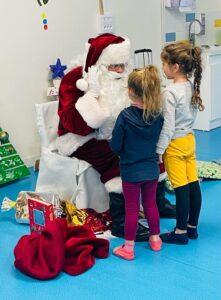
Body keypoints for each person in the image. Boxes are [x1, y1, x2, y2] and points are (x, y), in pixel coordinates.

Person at [56, 33, 175, 241]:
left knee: (151, 149)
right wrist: (92, 96)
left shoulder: (126, 76)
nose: (120, 71)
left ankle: (158, 202)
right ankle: (121, 223)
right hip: (83, 137)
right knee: (117, 159)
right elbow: (73, 124)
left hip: (118, 131)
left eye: (123, 65)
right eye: (114, 67)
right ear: (100, 64)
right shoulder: (75, 80)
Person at [110, 66, 164, 260]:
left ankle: (129, 248)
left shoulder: (124, 116)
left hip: (131, 170)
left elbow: (115, 145)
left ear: (131, 91)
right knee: (151, 204)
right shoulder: (158, 116)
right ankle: (156, 240)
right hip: (151, 168)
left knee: (132, 208)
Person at [157, 42, 203, 245]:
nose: (163, 68)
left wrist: (159, 150)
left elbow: (167, 127)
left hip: (174, 144)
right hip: (189, 140)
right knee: (193, 183)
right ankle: (192, 227)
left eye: (164, 63)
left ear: (175, 67)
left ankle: (180, 232)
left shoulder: (169, 92)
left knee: (180, 188)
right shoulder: (190, 86)